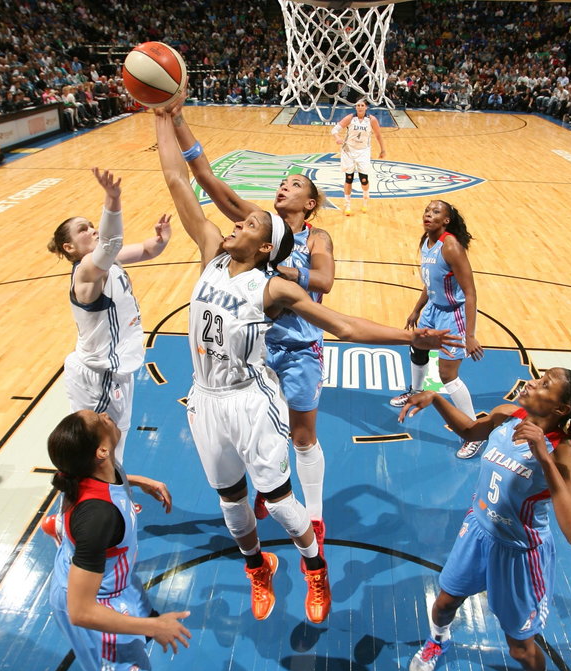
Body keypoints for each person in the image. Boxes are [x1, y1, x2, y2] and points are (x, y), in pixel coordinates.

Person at [155, 105, 461, 625]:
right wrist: (163, 114)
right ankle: (258, 567)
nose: (236, 220)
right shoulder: (212, 250)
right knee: (230, 504)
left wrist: (412, 335)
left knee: (280, 491)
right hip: (205, 399)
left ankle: (315, 564)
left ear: (267, 244)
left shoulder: (281, 276)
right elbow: (181, 178)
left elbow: (341, 321)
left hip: (258, 391)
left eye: (248, 221)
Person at [163, 93, 335, 547]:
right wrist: (175, 118)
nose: (284, 187)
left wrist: (283, 269)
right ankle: (268, 492)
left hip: (298, 345)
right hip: (256, 348)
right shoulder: (254, 223)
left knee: (302, 436)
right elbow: (203, 177)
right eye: (282, 182)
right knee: (257, 447)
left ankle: (313, 516)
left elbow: (326, 280)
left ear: (311, 203)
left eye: (295, 184)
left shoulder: (316, 236)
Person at [398, 367, 571, 671]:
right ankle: (437, 640)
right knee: (443, 604)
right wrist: (437, 400)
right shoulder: (508, 414)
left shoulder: (563, 454)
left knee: (520, 648)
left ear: (561, 409)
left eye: (544, 384)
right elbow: (470, 431)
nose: (532, 383)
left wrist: (543, 456)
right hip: (478, 531)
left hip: (519, 552)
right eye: (539, 377)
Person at [45, 410, 191, 671]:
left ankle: (60, 531)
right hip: (93, 603)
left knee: (142, 616)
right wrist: (155, 627)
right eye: (100, 420)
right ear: (101, 451)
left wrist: (135, 481)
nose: (105, 415)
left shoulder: (100, 469)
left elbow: (110, 485)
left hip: (116, 580)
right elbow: (80, 611)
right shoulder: (98, 517)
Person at [46, 167, 171, 466]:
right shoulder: (87, 272)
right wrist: (112, 199)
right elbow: (110, 244)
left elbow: (145, 250)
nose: (91, 229)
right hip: (98, 374)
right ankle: (95, 502)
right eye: (82, 230)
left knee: (116, 440)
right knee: (97, 449)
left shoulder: (107, 260)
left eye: (91, 225)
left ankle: (115, 494)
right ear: (69, 247)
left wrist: (161, 240)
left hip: (114, 369)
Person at [389, 200, 485, 458]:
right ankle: (416, 392)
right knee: (417, 347)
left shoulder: (451, 245)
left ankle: (473, 432)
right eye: (427, 211)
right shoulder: (426, 242)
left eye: (436, 212)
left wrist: (470, 335)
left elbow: (470, 291)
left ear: (446, 221)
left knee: (447, 375)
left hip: (453, 315)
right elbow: (430, 282)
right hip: (433, 307)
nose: (429, 215)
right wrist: (417, 308)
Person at [330, 98, 386, 216]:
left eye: (362, 105)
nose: (360, 107)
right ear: (356, 107)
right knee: (348, 178)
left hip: (363, 152)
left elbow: (378, 135)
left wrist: (382, 150)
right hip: (349, 151)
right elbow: (334, 129)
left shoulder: (372, 120)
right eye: (358, 105)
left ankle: (365, 201)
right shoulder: (350, 118)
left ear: (366, 107)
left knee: (364, 179)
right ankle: (347, 204)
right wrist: (337, 138)